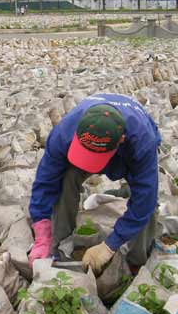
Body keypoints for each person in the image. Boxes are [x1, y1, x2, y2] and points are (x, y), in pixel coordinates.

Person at [28, 94, 161, 274]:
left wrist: (110, 246)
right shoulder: (63, 133)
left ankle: (136, 262)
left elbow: (145, 199)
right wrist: (42, 232)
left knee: (147, 202)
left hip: (130, 148)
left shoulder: (142, 142)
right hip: (90, 143)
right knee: (65, 178)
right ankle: (59, 245)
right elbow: (45, 181)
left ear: (121, 140)